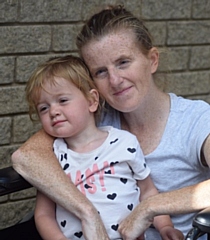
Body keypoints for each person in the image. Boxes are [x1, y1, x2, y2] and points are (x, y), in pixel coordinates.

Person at [11, 5, 210, 240]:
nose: (115, 80)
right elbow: (27, 157)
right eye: (101, 72)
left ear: (152, 60)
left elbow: (148, 194)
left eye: (123, 62)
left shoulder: (195, 119)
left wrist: (150, 207)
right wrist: (87, 213)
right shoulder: (94, 120)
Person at [25, 55, 183, 240]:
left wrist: (165, 226)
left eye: (63, 100)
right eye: (43, 108)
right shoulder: (52, 156)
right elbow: (44, 214)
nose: (53, 111)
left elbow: (148, 191)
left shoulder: (124, 143)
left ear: (92, 101)